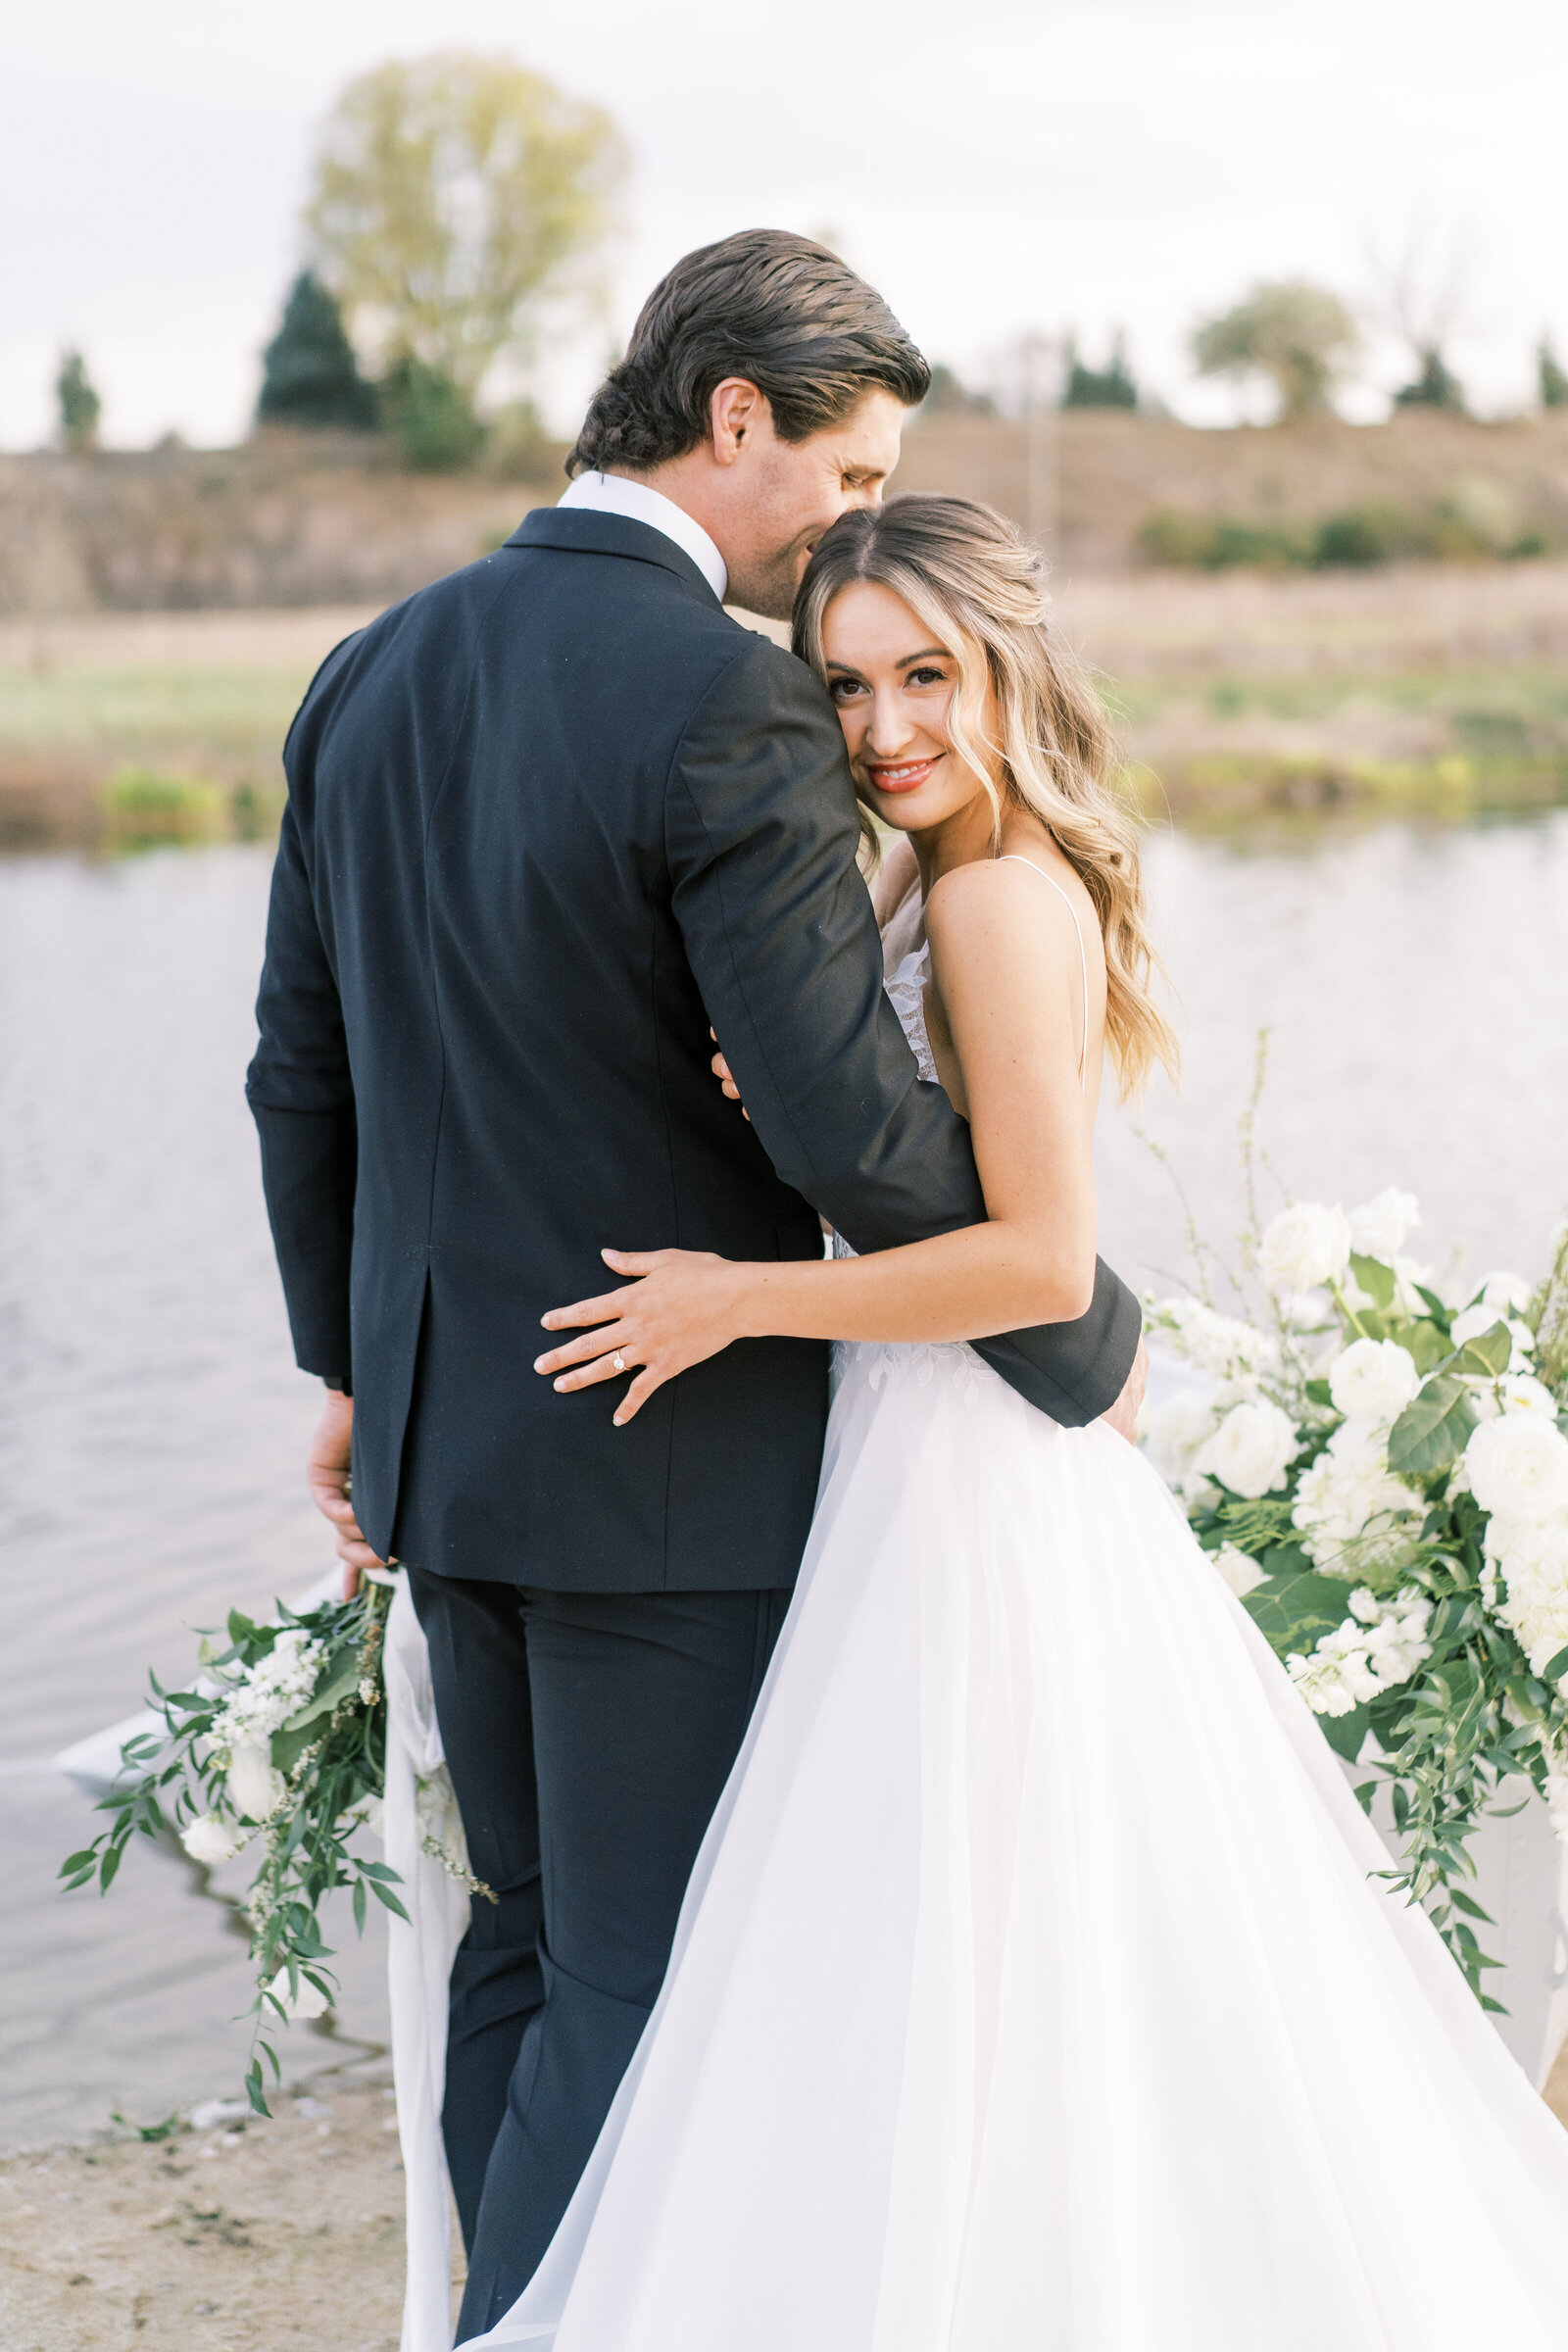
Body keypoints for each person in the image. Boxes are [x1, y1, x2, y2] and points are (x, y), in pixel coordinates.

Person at [467, 495, 1568, 2350]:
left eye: (927, 675)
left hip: (969, 1468)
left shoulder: (991, 895)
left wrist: (738, 1295)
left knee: (966, 1915)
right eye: (845, 686)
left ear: (1009, 672)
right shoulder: (926, 879)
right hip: (921, 1452)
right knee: (957, 1926)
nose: (886, 726)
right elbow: (942, 1176)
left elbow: (1043, 1265)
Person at [244, 233, 1144, 2343]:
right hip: (672, 1467)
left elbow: (303, 1071)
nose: (847, 532)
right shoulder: (720, 694)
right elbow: (840, 1129)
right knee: (643, 1981)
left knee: (520, 1949)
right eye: (843, 481)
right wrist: (1073, 1328)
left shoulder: (365, 665)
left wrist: (358, 1370)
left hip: (456, 1450)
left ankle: (502, 2309)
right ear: (733, 419)